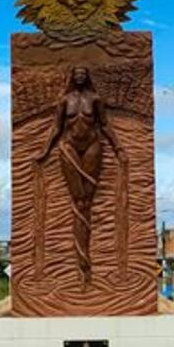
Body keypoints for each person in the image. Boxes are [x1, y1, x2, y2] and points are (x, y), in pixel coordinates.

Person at [35, 66, 123, 286]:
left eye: (84, 73)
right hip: (69, 147)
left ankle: (87, 265)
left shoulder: (96, 99)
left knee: (87, 202)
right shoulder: (64, 101)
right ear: (73, 77)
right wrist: (45, 150)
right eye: (77, 73)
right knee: (78, 201)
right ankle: (81, 265)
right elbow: (56, 127)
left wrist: (118, 148)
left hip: (93, 146)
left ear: (88, 77)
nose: (81, 76)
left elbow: (104, 126)